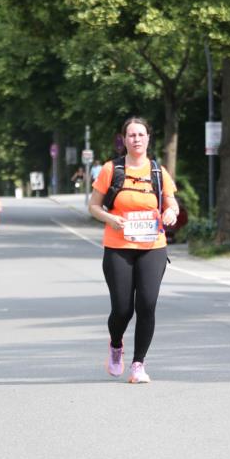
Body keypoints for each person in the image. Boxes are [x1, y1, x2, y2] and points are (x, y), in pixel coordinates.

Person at [89, 116, 178, 384]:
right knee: (122, 309)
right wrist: (111, 218)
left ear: (148, 138)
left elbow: (171, 204)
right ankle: (116, 344)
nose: (136, 139)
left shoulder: (157, 172)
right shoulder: (111, 169)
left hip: (153, 246)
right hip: (119, 246)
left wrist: (171, 213)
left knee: (147, 304)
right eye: (131, 135)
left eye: (141, 135)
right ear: (124, 139)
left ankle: (138, 364)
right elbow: (94, 206)